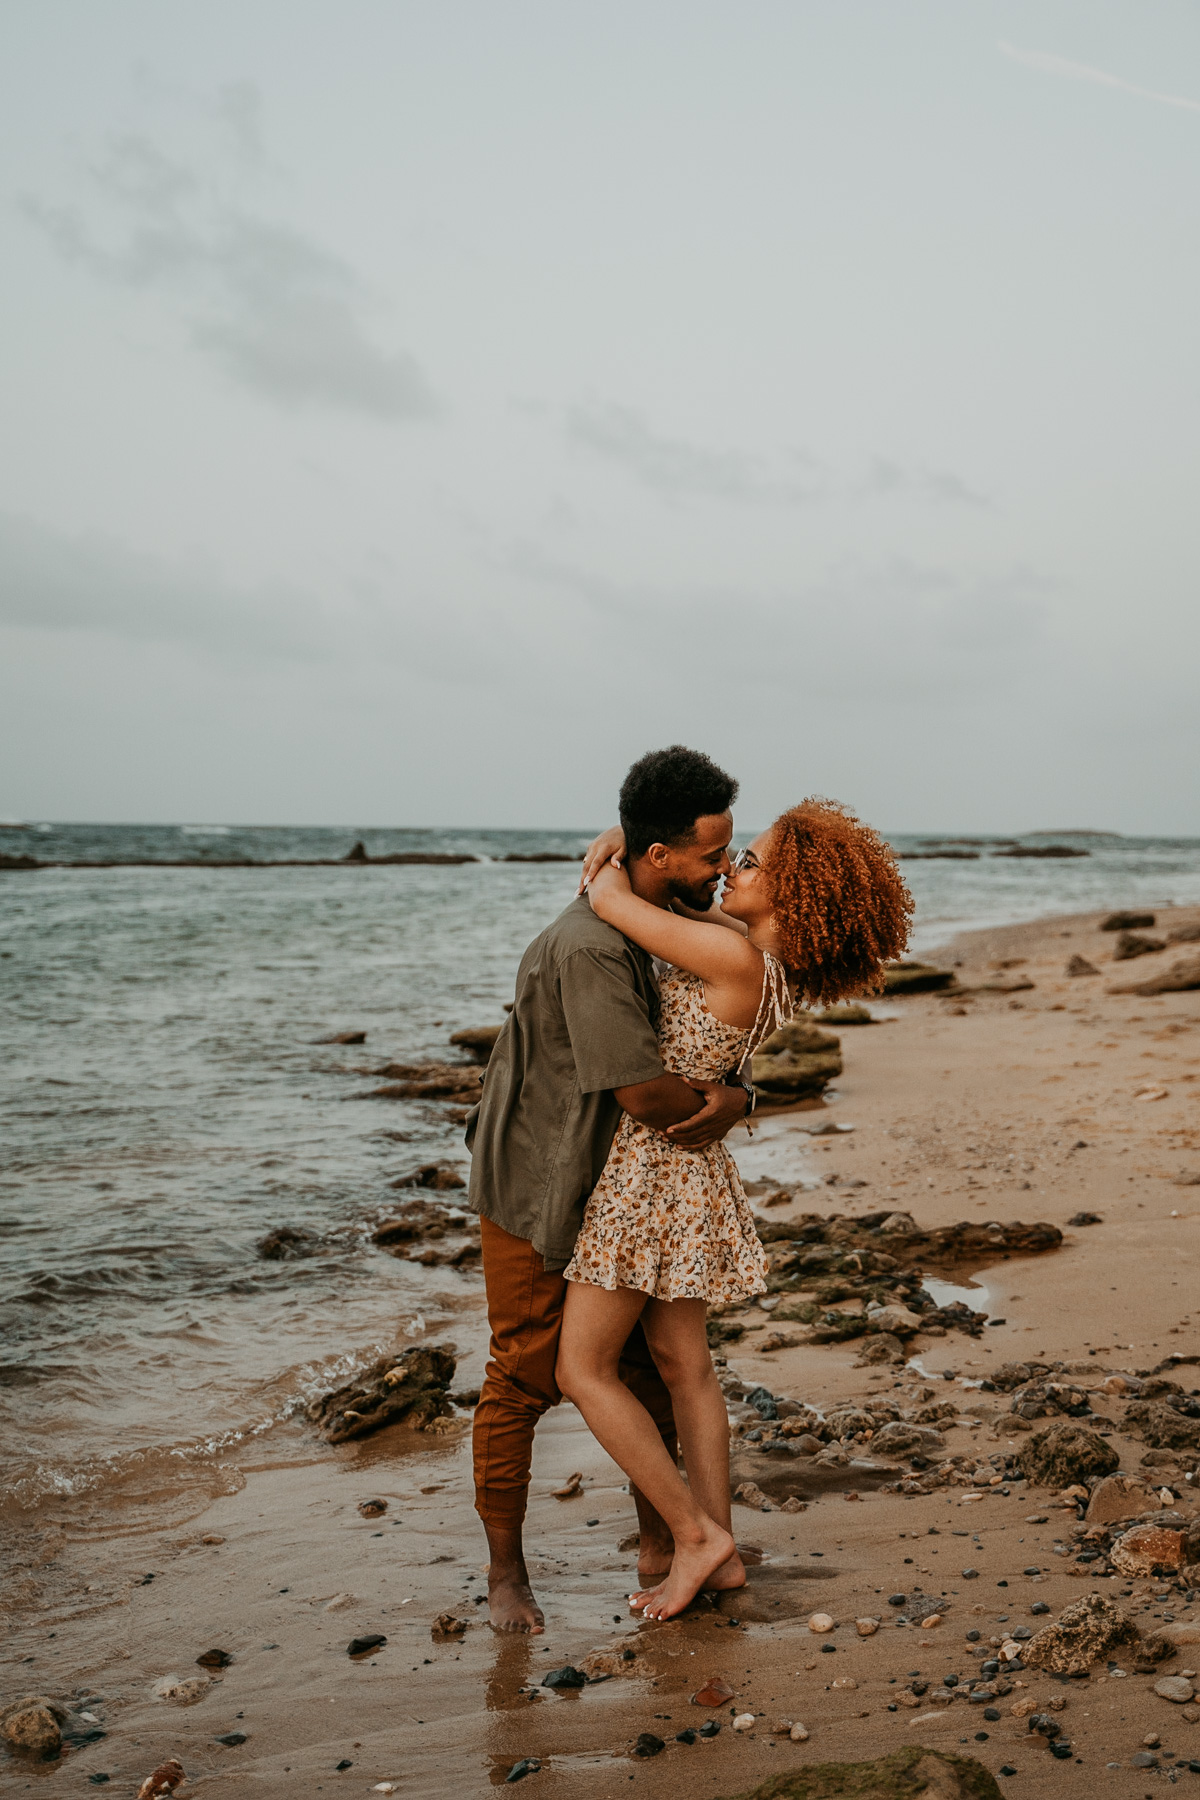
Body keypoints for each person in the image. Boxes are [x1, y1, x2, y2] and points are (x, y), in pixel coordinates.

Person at [556, 796, 912, 1621]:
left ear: (790, 894)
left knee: (583, 1368)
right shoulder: (757, 958)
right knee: (688, 1368)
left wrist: (622, 842)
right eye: (732, 856)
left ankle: (693, 1535)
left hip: (647, 1174)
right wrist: (627, 839)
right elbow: (658, 888)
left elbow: (610, 898)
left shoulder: (733, 958)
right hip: (690, 1173)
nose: (727, 868)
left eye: (747, 861)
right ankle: (716, 1544)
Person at [466, 746, 753, 1633]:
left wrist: (741, 1093)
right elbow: (643, 1092)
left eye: (730, 854)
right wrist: (732, 1102)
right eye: (713, 856)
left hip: (613, 1184)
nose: (724, 869)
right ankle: (507, 1573)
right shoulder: (596, 944)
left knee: (643, 1371)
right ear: (658, 855)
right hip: (539, 1184)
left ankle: (669, 1545)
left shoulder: (648, 901)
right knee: (523, 1376)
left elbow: (698, 1042)